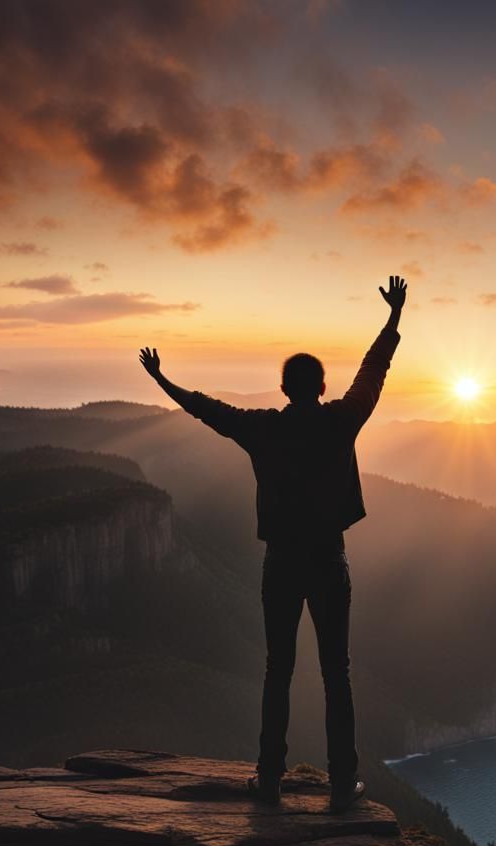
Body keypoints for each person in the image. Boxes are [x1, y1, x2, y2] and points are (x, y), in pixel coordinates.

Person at [139, 275, 407, 812]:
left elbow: (205, 408)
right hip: (329, 561)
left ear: (284, 389)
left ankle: (269, 780)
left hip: (280, 564)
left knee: (277, 670)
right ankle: (341, 784)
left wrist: (161, 378)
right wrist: (394, 316)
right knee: (338, 673)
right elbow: (372, 373)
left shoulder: (261, 428)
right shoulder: (340, 420)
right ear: (322, 388)